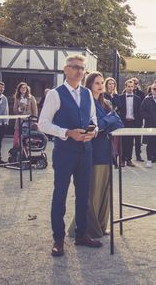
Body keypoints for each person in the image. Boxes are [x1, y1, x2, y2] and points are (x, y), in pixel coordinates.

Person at [37, 54, 100, 257]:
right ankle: (58, 238)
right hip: (64, 151)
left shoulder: (87, 94)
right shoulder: (55, 94)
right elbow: (43, 123)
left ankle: (81, 234)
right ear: (65, 70)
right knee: (60, 194)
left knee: (83, 194)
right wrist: (66, 133)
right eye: (74, 67)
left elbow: (93, 118)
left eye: (82, 68)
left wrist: (94, 131)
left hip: (85, 150)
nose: (79, 71)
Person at [68, 72, 123, 238]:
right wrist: (109, 120)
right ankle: (85, 228)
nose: (101, 85)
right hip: (93, 150)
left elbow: (118, 123)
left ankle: (99, 225)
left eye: (102, 82)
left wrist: (107, 121)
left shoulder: (106, 103)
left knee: (104, 190)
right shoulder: (86, 103)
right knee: (93, 190)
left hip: (106, 149)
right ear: (89, 84)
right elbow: (93, 126)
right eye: (97, 83)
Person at [113, 79, 144, 167]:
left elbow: (139, 111)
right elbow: (117, 109)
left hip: (133, 122)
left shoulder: (138, 99)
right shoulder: (120, 97)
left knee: (130, 142)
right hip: (123, 122)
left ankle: (129, 160)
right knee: (123, 142)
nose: (130, 88)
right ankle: (122, 160)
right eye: (128, 86)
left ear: (134, 87)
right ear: (125, 87)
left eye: (132, 86)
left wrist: (138, 123)